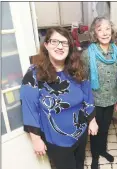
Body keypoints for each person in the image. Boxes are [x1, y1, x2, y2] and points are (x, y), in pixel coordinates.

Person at [20, 27, 98, 169]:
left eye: (64, 42)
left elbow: (88, 95)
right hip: (57, 140)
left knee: (79, 164)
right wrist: (36, 139)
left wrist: (92, 120)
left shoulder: (77, 68)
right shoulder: (34, 74)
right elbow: (29, 108)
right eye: (54, 42)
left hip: (80, 133)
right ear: (46, 45)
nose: (60, 46)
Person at [82, 17, 117, 169]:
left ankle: (102, 150)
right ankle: (95, 157)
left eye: (107, 28)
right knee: (96, 130)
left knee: (106, 127)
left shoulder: (116, 51)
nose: (104, 33)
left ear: (111, 30)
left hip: (112, 98)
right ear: (95, 33)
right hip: (95, 100)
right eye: (100, 30)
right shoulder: (88, 53)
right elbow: (83, 81)